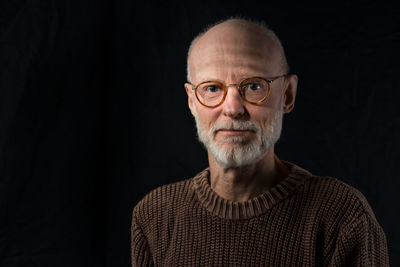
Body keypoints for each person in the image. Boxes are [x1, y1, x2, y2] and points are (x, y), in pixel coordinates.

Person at [131, 17, 389, 266]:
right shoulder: (154, 216)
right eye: (212, 88)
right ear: (191, 101)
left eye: (253, 86)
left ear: (287, 95)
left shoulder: (342, 217)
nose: (232, 109)